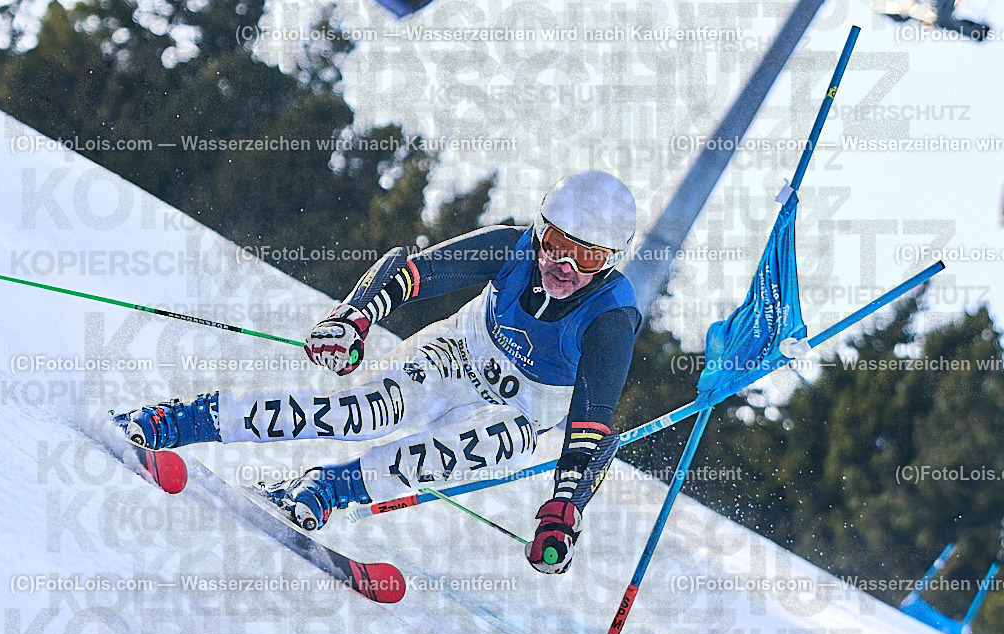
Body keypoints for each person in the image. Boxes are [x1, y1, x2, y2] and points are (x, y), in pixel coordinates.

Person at [114, 170, 642, 574]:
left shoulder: (613, 317)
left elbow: (592, 426)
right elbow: (417, 271)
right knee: (355, 412)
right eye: (554, 244)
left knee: (465, 448)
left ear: (612, 261)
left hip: (519, 413)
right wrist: (356, 316)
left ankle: (326, 488)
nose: (563, 266)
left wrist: (564, 509)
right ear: (539, 228)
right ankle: (178, 420)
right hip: (454, 357)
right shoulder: (512, 246)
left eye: (586, 257)